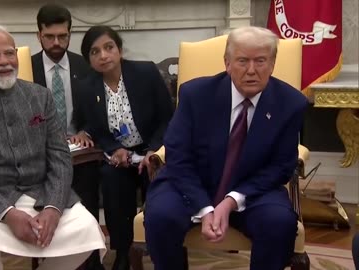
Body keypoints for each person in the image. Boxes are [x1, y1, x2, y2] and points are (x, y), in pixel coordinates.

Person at [0, 24, 106, 270]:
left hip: (37, 192)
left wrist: (53, 208)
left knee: (87, 230)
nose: (4, 61)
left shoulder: (40, 96)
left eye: (9, 53)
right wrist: (6, 212)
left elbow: (59, 157)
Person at [144, 26, 309, 270]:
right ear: (227, 63)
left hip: (253, 190)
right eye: (242, 61)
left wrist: (231, 200)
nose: (251, 70)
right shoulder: (195, 94)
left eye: (261, 61)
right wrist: (204, 206)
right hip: (191, 183)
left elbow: (281, 167)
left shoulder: (291, 103)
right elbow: (178, 156)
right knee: (161, 216)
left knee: (279, 222)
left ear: (273, 63)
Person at [77, 26, 173, 270]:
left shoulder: (146, 72)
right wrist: (114, 148)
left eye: (109, 47)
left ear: (119, 49)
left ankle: (158, 247)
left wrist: (153, 150)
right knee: (111, 180)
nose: (103, 55)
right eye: (95, 52)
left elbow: (167, 117)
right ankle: (121, 252)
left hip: (152, 150)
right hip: (120, 155)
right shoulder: (87, 87)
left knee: (158, 182)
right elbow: (96, 128)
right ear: (89, 59)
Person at [31, 5, 103, 269]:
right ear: (38, 35)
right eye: (49, 37)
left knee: (88, 194)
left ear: (70, 33)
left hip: (81, 149)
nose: (56, 43)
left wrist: (87, 131)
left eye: (63, 36)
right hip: (42, 153)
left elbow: (100, 108)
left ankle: (92, 262)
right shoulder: (27, 68)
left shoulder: (86, 65)